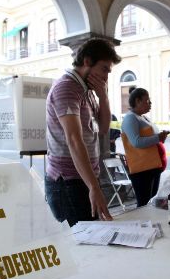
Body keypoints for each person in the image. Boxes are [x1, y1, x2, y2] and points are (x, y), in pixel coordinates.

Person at [45, 38, 122, 225]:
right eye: (104, 69)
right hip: (68, 182)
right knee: (82, 248)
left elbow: (104, 128)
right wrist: (94, 187)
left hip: (84, 179)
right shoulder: (67, 88)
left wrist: (103, 96)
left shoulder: (85, 90)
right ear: (87, 61)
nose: (106, 76)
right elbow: (73, 140)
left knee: (91, 241)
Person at [121, 88, 170, 207]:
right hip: (143, 170)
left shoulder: (142, 117)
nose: (150, 104)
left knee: (151, 202)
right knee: (144, 204)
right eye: (147, 101)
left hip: (152, 167)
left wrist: (160, 136)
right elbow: (136, 142)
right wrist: (158, 137)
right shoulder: (130, 118)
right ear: (137, 101)